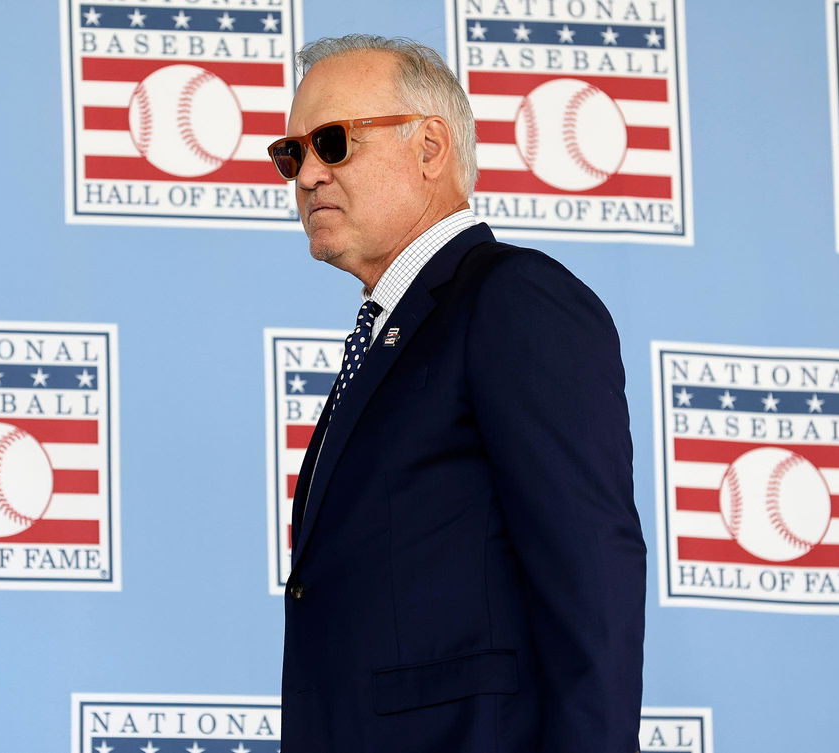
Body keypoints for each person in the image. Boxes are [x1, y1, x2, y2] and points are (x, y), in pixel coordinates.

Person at [267, 35, 647, 753]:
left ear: (431, 148)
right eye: (293, 154)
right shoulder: (390, 332)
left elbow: (592, 569)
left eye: (334, 142)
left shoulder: (513, 299)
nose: (309, 174)